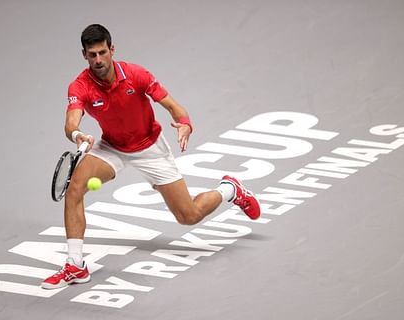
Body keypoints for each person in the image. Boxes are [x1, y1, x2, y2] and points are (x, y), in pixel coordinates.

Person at [41, 24, 261, 289]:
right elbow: (71, 121)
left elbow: (173, 107)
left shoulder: (137, 75)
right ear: (84, 55)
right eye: (92, 55)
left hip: (150, 148)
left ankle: (229, 189)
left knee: (188, 216)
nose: (98, 60)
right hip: (112, 147)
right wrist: (78, 135)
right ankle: (75, 265)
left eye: (102, 52)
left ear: (112, 50)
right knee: (75, 187)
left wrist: (185, 123)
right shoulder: (80, 85)